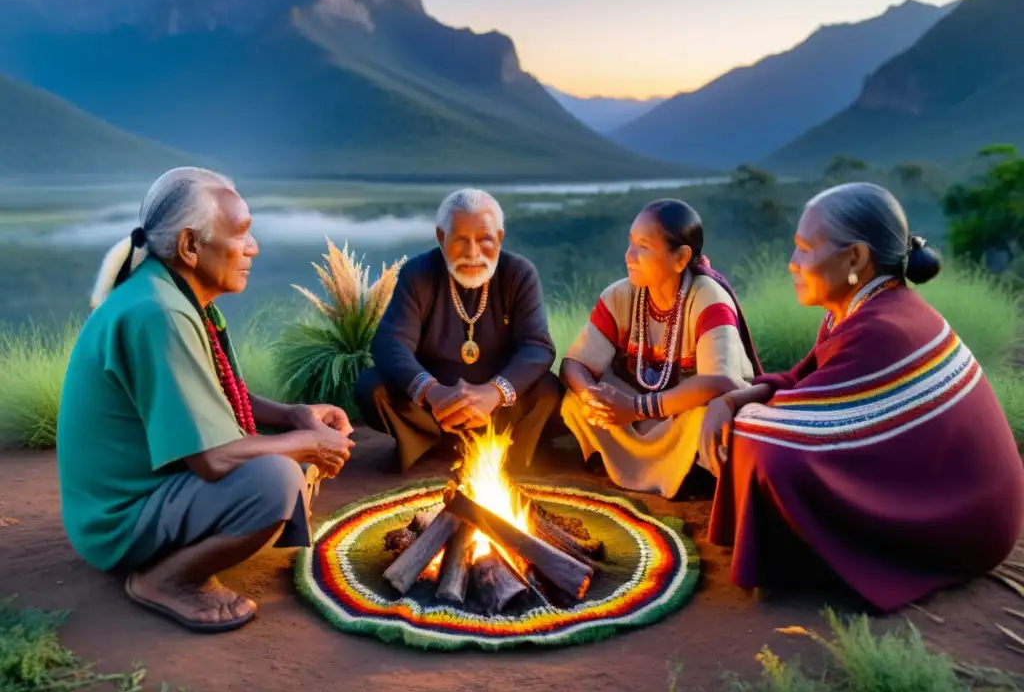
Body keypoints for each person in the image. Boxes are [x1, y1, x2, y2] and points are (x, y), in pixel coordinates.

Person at [57, 167, 356, 634]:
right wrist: (305, 443)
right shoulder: (160, 314)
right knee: (274, 478)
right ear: (190, 246)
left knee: (287, 459)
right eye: (240, 233)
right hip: (118, 522)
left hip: (135, 497)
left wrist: (294, 417)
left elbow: (214, 393)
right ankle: (166, 579)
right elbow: (213, 458)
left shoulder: (174, 296)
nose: (252, 247)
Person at [702, 182, 1024, 612]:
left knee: (761, 448)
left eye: (803, 249)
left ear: (855, 258)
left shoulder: (881, 328)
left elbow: (790, 429)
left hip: (967, 526)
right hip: (973, 507)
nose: (792, 263)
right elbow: (807, 377)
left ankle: (821, 561)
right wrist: (734, 400)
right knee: (753, 428)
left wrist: (739, 412)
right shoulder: (870, 309)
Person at [559, 199, 763, 498]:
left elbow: (721, 381)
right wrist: (593, 397)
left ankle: (678, 477)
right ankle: (644, 470)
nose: (629, 255)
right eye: (630, 243)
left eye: (644, 246)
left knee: (707, 421)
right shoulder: (619, 294)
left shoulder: (708, 299)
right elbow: (574, 364)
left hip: (681, 416)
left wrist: (637, 408)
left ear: (680, 258)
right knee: (574, 401)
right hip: (633, 415)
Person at [355, 188, 561, 472]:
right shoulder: (418, 274)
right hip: (435, 410)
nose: (473, 253)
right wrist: (433, 392)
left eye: (485, 239)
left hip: (498, 411)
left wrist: (493, 394)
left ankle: (503, 450)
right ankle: (429, 445)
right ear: (442, 237)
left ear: (499, 237)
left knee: (549, 390)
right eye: (461, 239)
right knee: (373, 388)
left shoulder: (519, 273)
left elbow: (537, 346)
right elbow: (391, 343)